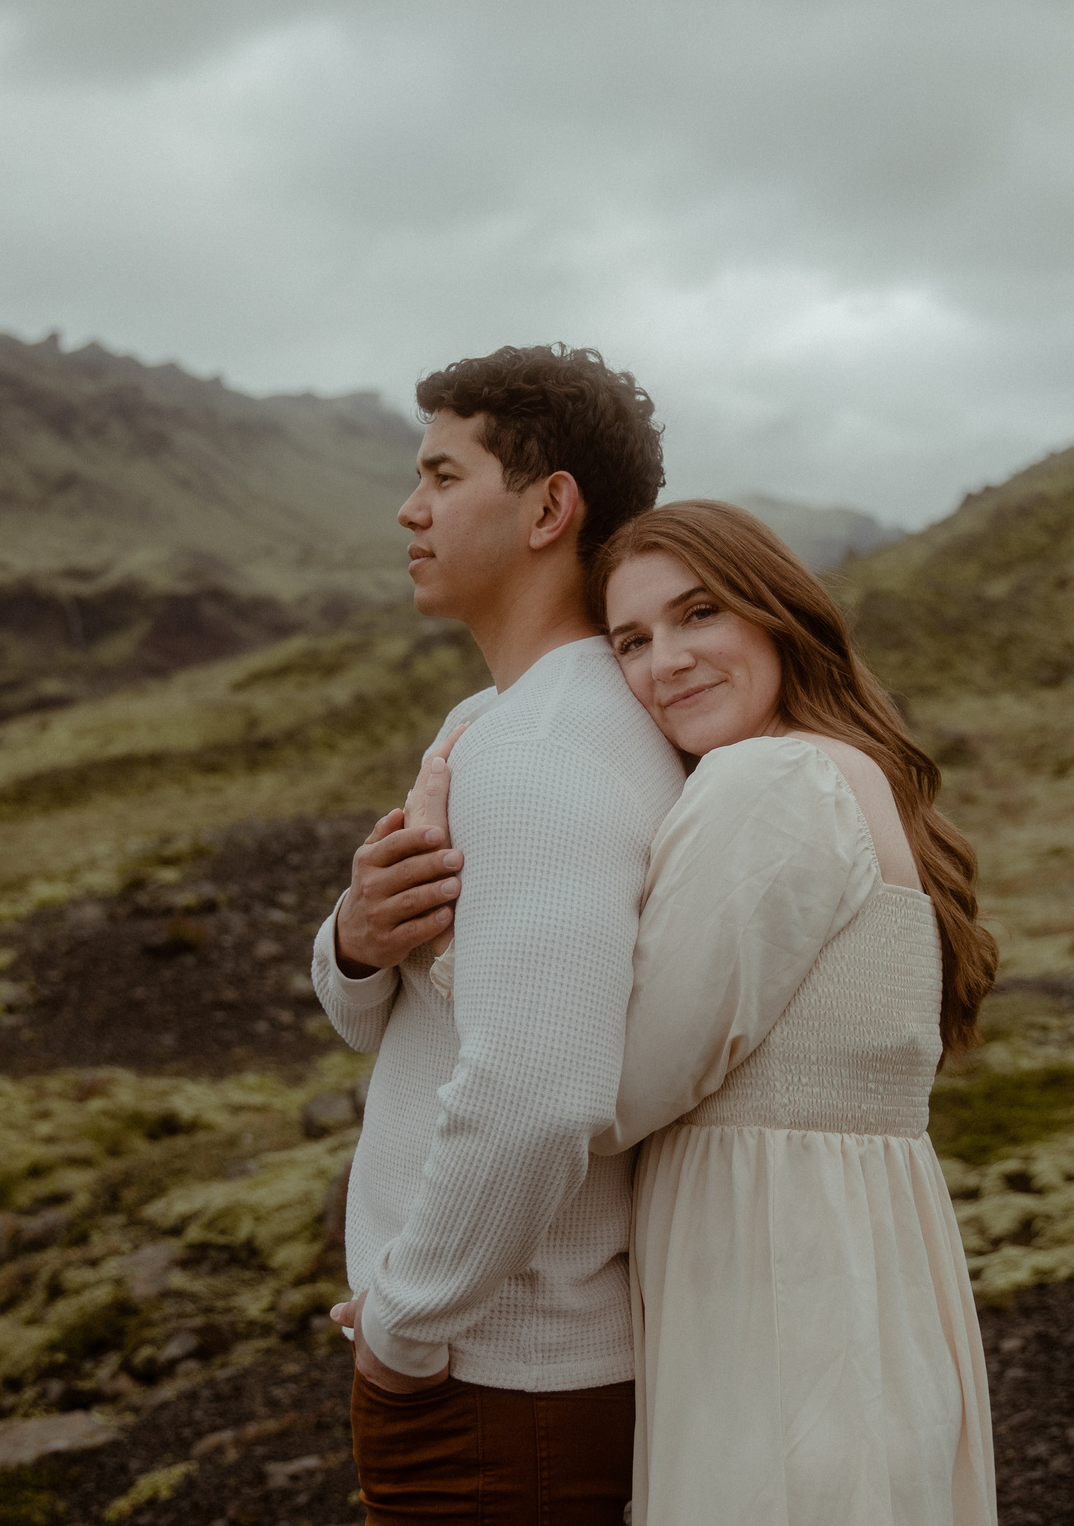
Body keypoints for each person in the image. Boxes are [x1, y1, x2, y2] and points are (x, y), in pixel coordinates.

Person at [407, 498, 1001, 1524]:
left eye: (699, 615)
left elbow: (621, 1085)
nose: (664, 661)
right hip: (859, 1277)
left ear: (777, 616)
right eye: (630, 641)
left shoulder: (768, 782)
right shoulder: (847, 775)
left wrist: (442, 942)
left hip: (775, 1295)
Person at [309, 344, 682, 1526]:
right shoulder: (494, 723)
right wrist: (359, 938)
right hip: (492, 1372)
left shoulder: (538, 754)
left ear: (549, 507)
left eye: (443, 475)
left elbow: (538, 1091)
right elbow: (394, 1010)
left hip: (494, 1381)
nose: (409, 511)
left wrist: (407, 1327)